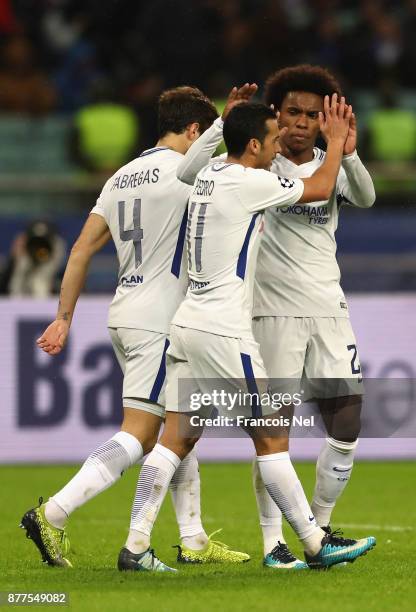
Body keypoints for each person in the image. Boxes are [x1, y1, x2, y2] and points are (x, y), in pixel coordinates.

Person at [122, 100, 376, 571]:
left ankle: (135, 546)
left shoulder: (208, 174)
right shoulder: (246, 181)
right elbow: (320, 187)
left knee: (174, 441)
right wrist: (337, 142)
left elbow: (192, 163)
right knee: (272, 438)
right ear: (255, 144)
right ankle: (317, 544)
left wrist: (222, 119)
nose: (282, 143)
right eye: (274, 138)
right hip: (223, 329)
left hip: (186, 325)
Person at [20, 85, 255, 571]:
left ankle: (192, 539)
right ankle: (53, 513)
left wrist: (64, 316)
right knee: (141, 433)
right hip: (161, 319)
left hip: (124, 312)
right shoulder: (193, 174)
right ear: (196, 129)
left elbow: (82, 248)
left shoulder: (121, 176)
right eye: (206, 132)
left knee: (180, 427)